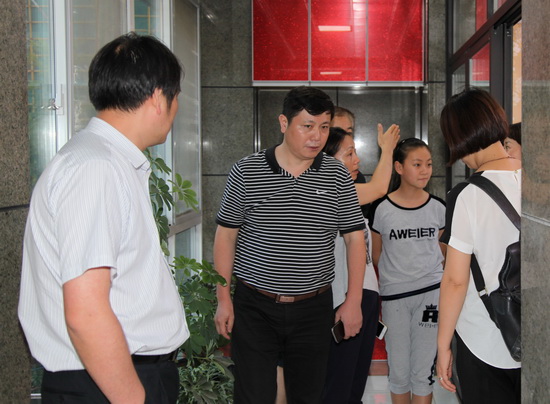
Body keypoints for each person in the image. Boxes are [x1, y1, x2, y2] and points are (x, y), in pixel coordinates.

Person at [18, 33, 189, 404]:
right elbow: (86, 313)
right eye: (176, 96)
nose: (176, 108)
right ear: (158, 98)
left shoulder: (105, 161)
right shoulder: (96, 169)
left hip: (111, 377)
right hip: (108, 383)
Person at [213, 86, 367, 403]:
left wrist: (353, 300)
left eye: (324, 127)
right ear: (284, 123)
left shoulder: (337, 175)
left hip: (314, 308)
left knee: (308, 396)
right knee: (253, 396)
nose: (317, 136)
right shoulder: (246, 171)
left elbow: (354, 239)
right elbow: (226, 235)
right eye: (307, 126)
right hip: (255, 306)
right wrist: (223, 298)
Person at [437, 88, 521, 403]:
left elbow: (455, 280)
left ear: (459, 137)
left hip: (483, 336)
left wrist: (443, 345)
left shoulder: (467, 195)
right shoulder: (539, 180)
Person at [321, 124, 400, 404]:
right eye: (349, 154)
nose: (357, 160)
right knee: (339, 383)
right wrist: (387, 149)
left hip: (363, 294)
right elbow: (379, 188)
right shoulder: (329, 191)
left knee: (354, 382)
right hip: (343, 299)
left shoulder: (344, 190)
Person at [368, 138, 446, 404]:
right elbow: (376, 254)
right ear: (399, 167)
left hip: (430, 295)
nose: (425, 171)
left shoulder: (438, 208)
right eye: (417, 164)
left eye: (429, 164)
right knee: (399, 371)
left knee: (423, 372)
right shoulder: (381, 208)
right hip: (394, 298)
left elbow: (443, 253)